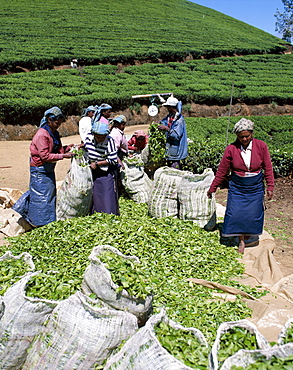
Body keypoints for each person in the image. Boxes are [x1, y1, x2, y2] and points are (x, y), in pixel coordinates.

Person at [207, 118, 274, 253]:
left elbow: (268, 167)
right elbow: (222, 170)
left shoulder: (261, 146)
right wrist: (213, 187)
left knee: (252, 213)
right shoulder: (231, 149)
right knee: (236, 213)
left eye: (247, 136)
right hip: (238, 186)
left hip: (255, 186)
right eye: (241, 137)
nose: (244, 139)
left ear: (252, 134)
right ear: (237, 136)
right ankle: (241, 240)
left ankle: (248, 234)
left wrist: (270, 186)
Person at [13, 106, 75, 227]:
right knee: (41, 198)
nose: (58, 125)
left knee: (49, 196)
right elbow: (45, 156)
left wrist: (71, 147)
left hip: (48, 169)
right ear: (49, 120)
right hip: (40, 169)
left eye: (60, 123)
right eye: (57, 123)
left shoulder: (54, 133)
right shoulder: (42, 134)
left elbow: (58, 150)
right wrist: (64, 156)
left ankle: (46, 222)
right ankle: (39, 223)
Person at [84, 121, 119, 215]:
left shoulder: (110, 141)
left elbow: (113, 160)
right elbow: (86, 148)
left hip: (105, 172)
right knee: (95, 196)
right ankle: (95, 214)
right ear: (94, 134)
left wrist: (97, 163)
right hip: (92, 172)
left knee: (107, 197)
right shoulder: (89, 138)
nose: (101, 139)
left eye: (103, 137)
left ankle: (109, 215)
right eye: (98, 137)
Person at [158, 96, 188, 169]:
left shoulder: (179, 120)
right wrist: (159, 123)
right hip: (170, 148)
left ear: (171, 107)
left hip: (176, 149)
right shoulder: (171, 116)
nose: (167, 109)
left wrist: (167, 129)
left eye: (168, 107)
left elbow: (176, 136)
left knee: (174, 167)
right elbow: (165, 121)